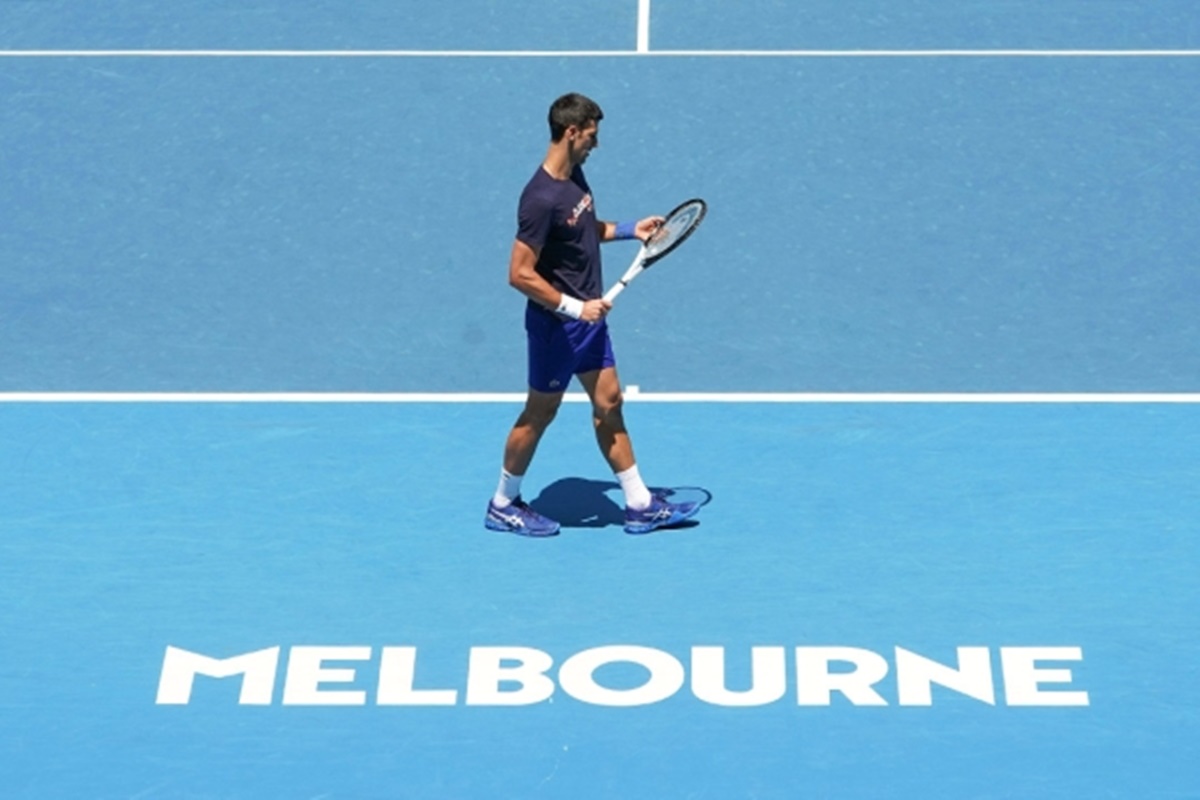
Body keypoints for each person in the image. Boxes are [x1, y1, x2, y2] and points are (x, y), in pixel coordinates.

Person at [485, 93, 700, 537]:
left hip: (589, 322)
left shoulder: (574, 181)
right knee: (539, 414)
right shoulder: (539, 199)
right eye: (591, 136)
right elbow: (519, 274)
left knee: (610, 403)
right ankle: (503, 502)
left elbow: (583, 232)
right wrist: (574, 307)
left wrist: (629, 230)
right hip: (557, 327)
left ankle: (639, 504)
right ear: (571, 132)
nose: (595, 145)